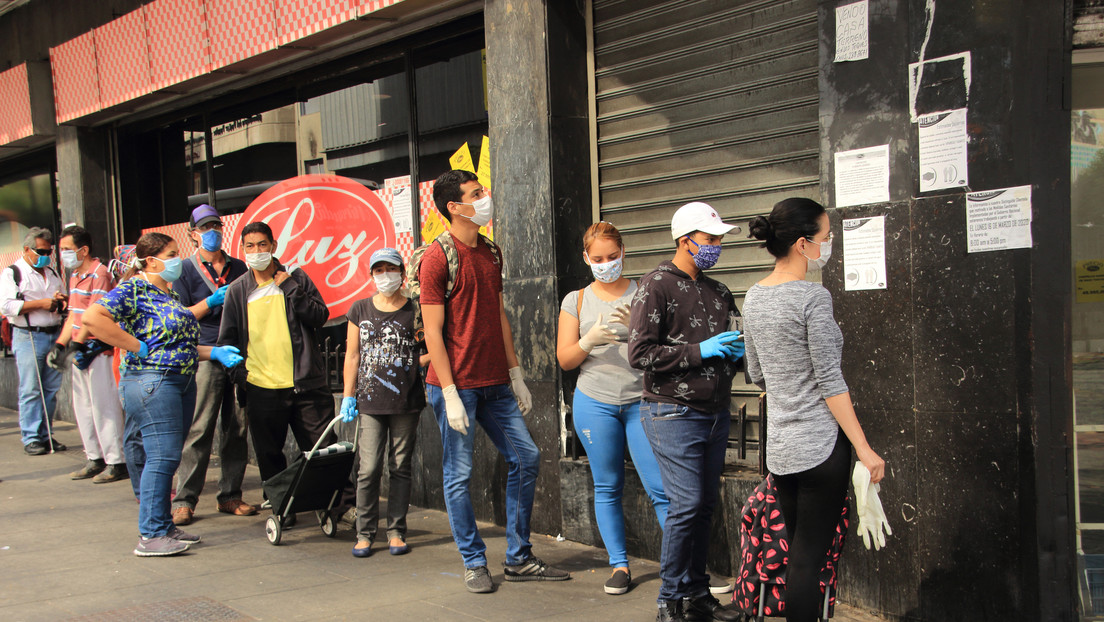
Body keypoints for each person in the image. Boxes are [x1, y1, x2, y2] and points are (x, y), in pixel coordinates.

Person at [421, 169, 569, 593]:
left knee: (526, 458)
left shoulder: (490, 251)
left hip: (495, 383)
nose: (485, 198)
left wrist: (516, 373)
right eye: (476, 193)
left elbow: (499, 314)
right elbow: (432, 331)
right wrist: (449, 392)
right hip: (456, 384)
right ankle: (473, 561)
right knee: (458, 474)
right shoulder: (438, 257)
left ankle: (519, 557)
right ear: (454, 206)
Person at [742, 198, 885, 622]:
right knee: (809, 561)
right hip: (822, 449)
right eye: (826, 237)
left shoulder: (753, 297)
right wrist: (864, 449)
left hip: (781, 452)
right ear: (803, 244)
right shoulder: (813, 298)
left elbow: (756, 373)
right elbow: (830, 382)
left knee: (798, 556)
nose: (829, 244)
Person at [82, 232, 243, 557]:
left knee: (167, 457)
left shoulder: (167, 293)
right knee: (162, 457)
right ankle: (151, 534)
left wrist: (214, 352)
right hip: (153, 382)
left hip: (178, 380)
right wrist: (135, 346)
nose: (177, 260)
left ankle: (164, 526)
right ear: (151, 261)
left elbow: (175, 344)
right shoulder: (134, 288)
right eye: (171, 254)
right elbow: (91, 318)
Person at [628, 202, 745, 622]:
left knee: (704, 505)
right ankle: (670, 599)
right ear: (684, 240)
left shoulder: (720, 292)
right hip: (671, 411)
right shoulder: (656, 284)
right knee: (687, 504)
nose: (716, 246)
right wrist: (700, 351)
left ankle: (696, 594)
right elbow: (640, 353)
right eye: (709, 239)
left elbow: (735, 344)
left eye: (719, 240)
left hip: (715, 412)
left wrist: (738, 353)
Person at [556, 221, 668, 596]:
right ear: (586, 258)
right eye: (598, 258)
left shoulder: (646, 292)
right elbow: (565, 359)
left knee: (661, 488)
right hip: (595, 402)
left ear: (623, 252)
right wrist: (587, 340)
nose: (606, 264)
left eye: (612, 256)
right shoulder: (576, 301)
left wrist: (639, 331)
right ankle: (619, 565)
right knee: (607, 485)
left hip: (642, 401)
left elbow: (669, 350)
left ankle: (684, 565)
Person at [217, 222, 339, 505]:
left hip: (306, 385)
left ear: (273, 246)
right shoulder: (238, 290)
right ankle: (281, 507)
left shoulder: (296, 278)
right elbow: (227, 341)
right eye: (250, 246)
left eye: (262, 244)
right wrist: (242, 377)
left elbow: (319, 316)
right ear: (242, 249)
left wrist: (290, 287)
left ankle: (338, 506)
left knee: (324, 449)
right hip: (262, 388)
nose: (257, 251)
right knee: (269, 455)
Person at [171, 204, 258, 526]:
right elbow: (179, 318)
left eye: (216, 226)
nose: (212, 233)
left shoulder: (239, 267)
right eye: (205, 228)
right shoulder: (184, 271)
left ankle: (230, 495)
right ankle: (185, 500)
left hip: (237, 353)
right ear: (193, 234)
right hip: (206, 353)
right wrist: (209, 302)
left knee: (237, 428)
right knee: (200, 428)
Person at [339, 247, 428, 558]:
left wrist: (413, 364)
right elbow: (352, 355)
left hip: (406, 401)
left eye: (390, 269)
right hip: (370, 402)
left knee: (401, 467)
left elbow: (430, 347)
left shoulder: (415, 310)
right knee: (368, 469)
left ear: (402, 273)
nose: (385, 275)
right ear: (371, 275)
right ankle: (364, 533)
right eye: (378, 270)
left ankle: (396, 531)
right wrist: (348, 395)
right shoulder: (359, 309)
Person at [52, 225, 127, 482]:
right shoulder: (74, 276)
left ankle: (116, 461)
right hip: (80, 349)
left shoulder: (100, 273)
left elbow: (93, 315)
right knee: (83, 407)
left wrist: (77, 344)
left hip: (97, 350)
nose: (63, 254)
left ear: (83, 250)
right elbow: (74, 315)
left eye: (67, 249)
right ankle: (95, 457)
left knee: (104, 406)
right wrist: (60, 345)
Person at [0, 227, 68, 456]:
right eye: (41, 251)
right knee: (30, 388)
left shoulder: (52, 272)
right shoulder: (13, 273)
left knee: (50, 388)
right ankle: (31, 437)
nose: (45, 256)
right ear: (27, 249)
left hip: (54, 333)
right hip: (28, 334)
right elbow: (6, 306)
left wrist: (60, 300)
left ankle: (46, 434)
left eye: (48, 252)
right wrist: (40, 304)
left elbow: (61, 298)